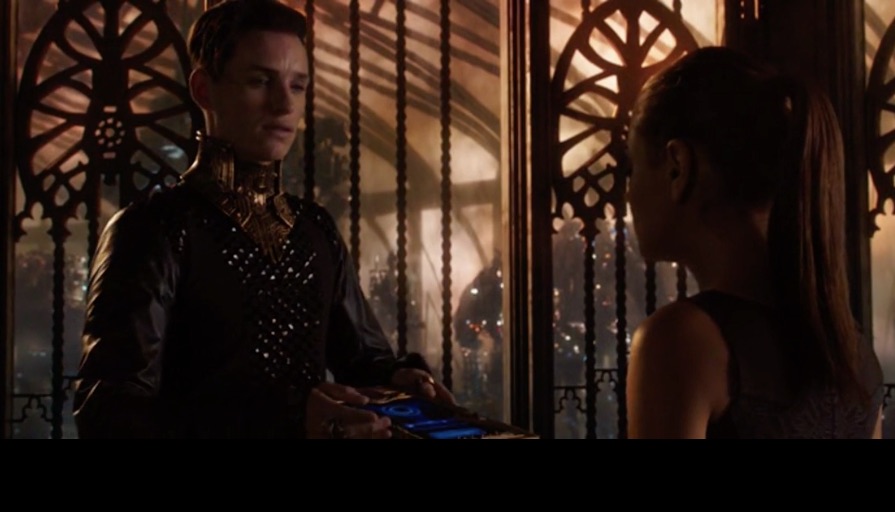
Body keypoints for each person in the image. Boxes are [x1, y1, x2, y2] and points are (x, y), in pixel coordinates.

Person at [72, 0, 453, 439]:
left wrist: (400, 381)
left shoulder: (314, 229)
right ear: (204, 90)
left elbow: (364, 360)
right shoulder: (153, 229)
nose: (283, 104)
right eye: (259, 81)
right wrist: (284, 421)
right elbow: (108, 412)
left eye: (298, 86)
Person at [624, 46, 885, 439]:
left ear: (679, 167)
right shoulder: (854, 356)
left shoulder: (679, 342)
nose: (629, 193)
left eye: (633, 167)